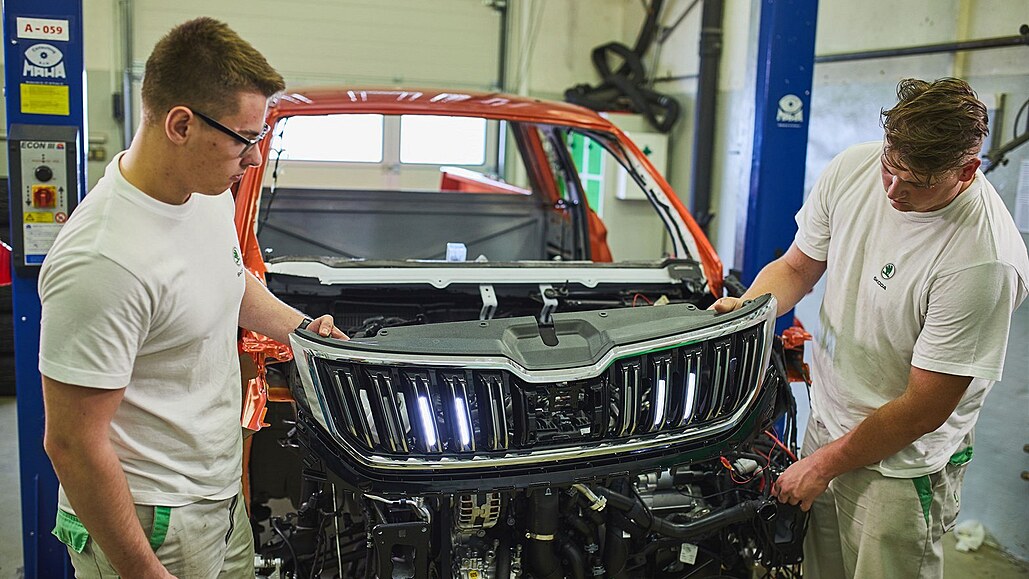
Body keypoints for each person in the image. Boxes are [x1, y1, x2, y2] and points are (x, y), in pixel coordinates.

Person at [38, 17, 346, 578]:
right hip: (149, 521)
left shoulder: (203, 193)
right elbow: (72, 445)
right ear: (181, 124)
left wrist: (305, 333)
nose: (253, 160)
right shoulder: (103, 261)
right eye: (245, 139)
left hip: (218, 499)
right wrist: (142, 570)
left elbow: (228, 279)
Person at [712, 77, 1028, 578]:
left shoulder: (982, 261)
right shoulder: (853, 169)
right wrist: (748, 315)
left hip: (900, 469)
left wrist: (820, 466)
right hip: (829, 425)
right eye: (890, 168)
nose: (894, 192)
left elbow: (922, 409)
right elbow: (797, 268)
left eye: (917, 183)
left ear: (967, 171)